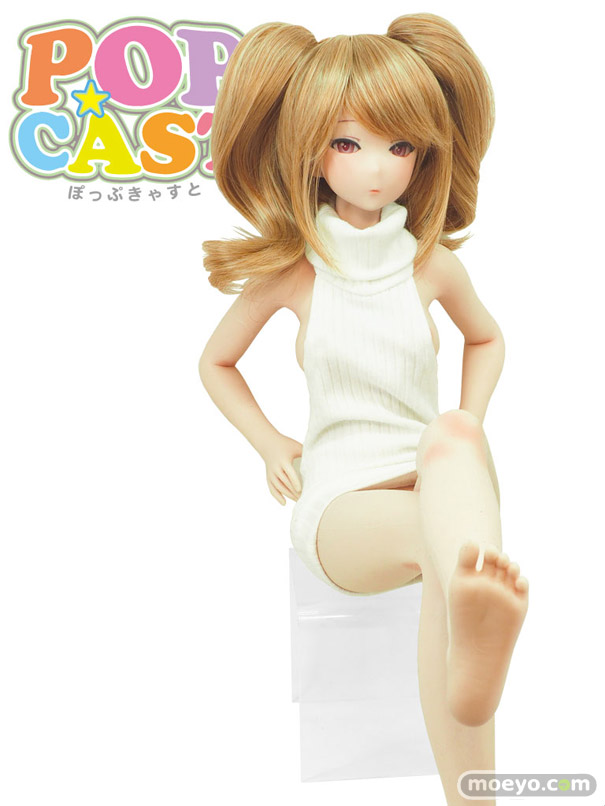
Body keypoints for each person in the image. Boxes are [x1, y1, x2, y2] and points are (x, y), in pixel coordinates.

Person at [199, 13, 529, 805]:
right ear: (307, 149)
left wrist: (469, 423)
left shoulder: (429, 264)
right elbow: (215, 362)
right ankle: (475, 641)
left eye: (400, 145)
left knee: (450, 451)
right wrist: (271, 444)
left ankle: (471, 663)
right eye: (347, 144)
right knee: (449, 553)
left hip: (431, 481)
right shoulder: (296, 271)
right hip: (342, 506)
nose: (377, 168)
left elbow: (486, 339)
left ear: (425, 154)